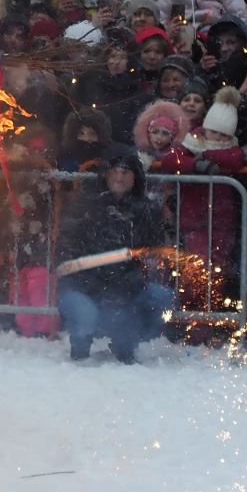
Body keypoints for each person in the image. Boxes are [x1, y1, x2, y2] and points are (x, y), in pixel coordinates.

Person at [55, 144, 175, 362]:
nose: (119, 178)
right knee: (85, 314)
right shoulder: (85, 207)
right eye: (115, 171)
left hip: (126, 289)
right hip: (84, 286)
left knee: (161, 297)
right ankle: (80, 345)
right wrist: (96, 282)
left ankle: (128, 340)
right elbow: (67, 255)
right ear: (105, 174)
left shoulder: (146, 211)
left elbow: (154, 251)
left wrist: (135, 277)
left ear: (135, 177)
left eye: (126, 172)